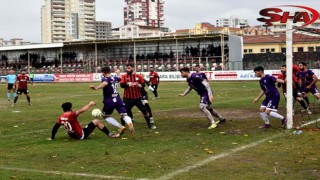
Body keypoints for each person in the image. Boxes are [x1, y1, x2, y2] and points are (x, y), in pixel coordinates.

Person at [89, 67, 134, 135]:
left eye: (102, 72)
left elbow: (105, 83)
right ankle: (130, 124)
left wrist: (96, 88)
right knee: (124, 115)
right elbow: (120, 78)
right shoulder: (115, 78)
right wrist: (118, 73)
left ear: (103, 72)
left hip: (109, 101)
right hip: (118, 99)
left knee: (105, 116)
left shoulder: (105, 78)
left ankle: (120, 127)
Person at [49, 101, 119, 140]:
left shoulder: (61, 117)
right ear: (70, 108)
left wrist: (52, 138)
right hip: (80, 136)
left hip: (72, 136)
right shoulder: (72, 115)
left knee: (80, 126)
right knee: (96, 121)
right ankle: (110, 135)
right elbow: (83, 110)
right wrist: (90, 104)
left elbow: (55, 128)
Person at [120, 64, 156, 129]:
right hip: (127, 98)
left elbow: (143, 85)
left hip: (138, 98)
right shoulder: (124, 76)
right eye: (126, 68)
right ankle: (123, 127)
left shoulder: (138, 76)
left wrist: (140, 85)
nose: (127, 70)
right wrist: (128, 85)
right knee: (123, 113)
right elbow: (121, 85)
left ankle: (150, 125)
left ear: (133, 68)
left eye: (129, 68)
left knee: (144, 111)